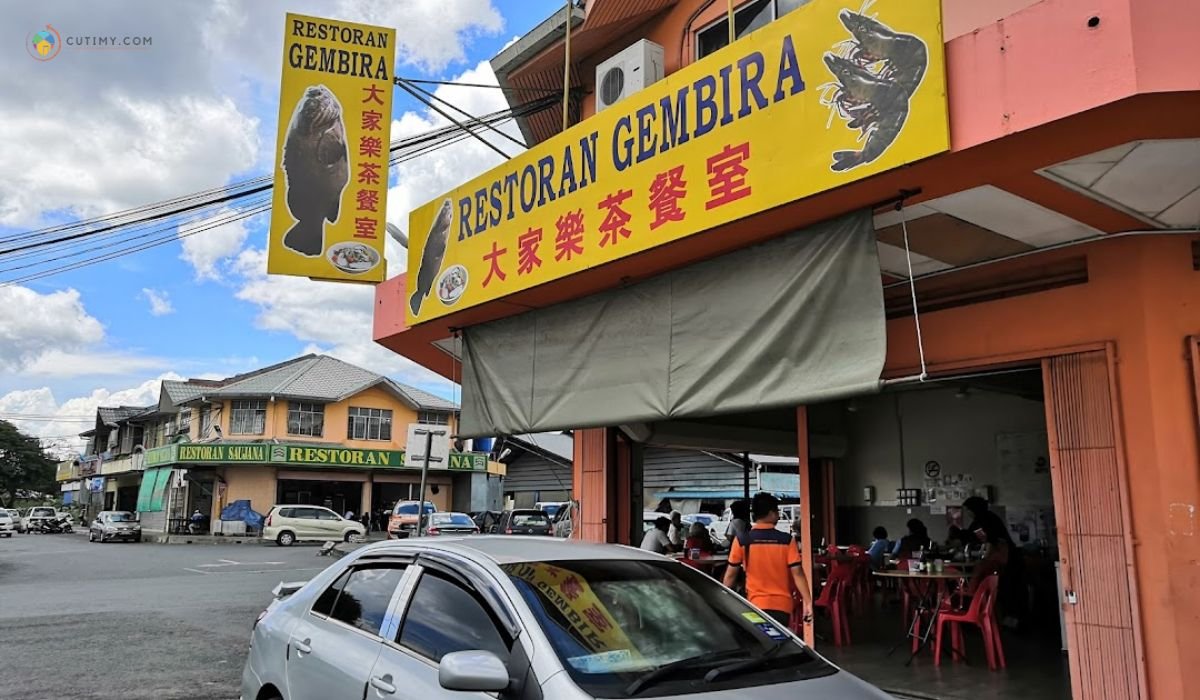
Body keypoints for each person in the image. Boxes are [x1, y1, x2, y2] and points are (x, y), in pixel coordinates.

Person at [722, 492, 813, 628]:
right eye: (777, 511)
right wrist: (808, 602)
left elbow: (730, 576)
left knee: (759, 645)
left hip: (754, 606)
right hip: (782, 606)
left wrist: (723, 602)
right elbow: (798, 573)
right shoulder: (786, 540)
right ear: (771, 513)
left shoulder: (742, 540)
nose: (778, 515)